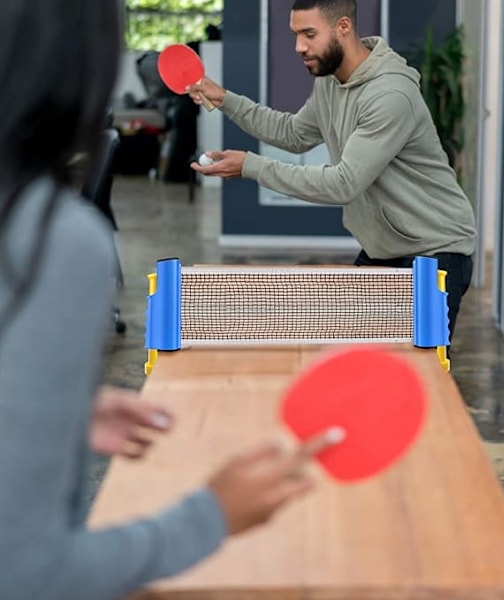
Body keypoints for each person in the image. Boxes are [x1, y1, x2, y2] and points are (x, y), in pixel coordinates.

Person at [0, 2, 341, 599]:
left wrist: (57, 416)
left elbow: (330, 165)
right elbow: (29, 572)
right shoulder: (51, 239)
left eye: (305, 34)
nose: (298, 47)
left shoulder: (380, 92)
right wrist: (211, 516)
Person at [189, 0, 477, 345]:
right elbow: (294, 134)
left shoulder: (390, 95)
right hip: (387, 245)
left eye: (309, 34)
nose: (299, 47)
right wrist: (225, 99)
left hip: (436, 249)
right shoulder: (331, 81)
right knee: (358, 358)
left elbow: (344, 184)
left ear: (343, 26)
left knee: (420, 376)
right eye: (296, 35)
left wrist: (250, 166)